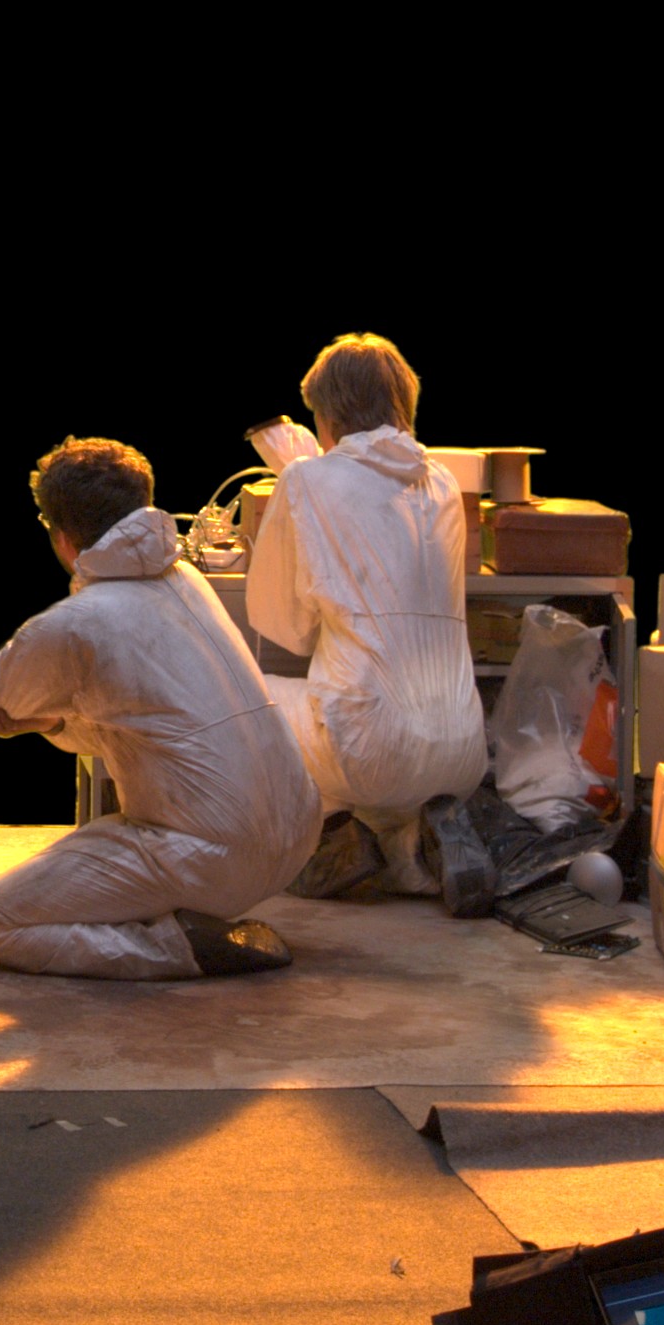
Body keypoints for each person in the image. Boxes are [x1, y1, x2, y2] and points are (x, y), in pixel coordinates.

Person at [0, 437, 323, 979]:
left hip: (212, 859)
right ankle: (191, 917)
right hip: (297, 835)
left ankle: (178, 946)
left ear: (62, 537)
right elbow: (145, 724)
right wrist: (46, 721)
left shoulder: (79, 623)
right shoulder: (189, 582)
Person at [245, 332, 497, 902]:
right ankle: (408, 855)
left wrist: (299, 478)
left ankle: (325, 839)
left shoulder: (305, 479)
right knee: (372, 740)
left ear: (328, 415)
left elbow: (285, 626)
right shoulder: (443, 482)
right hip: (462, 750)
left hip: (372, 750)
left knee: (246, 698)